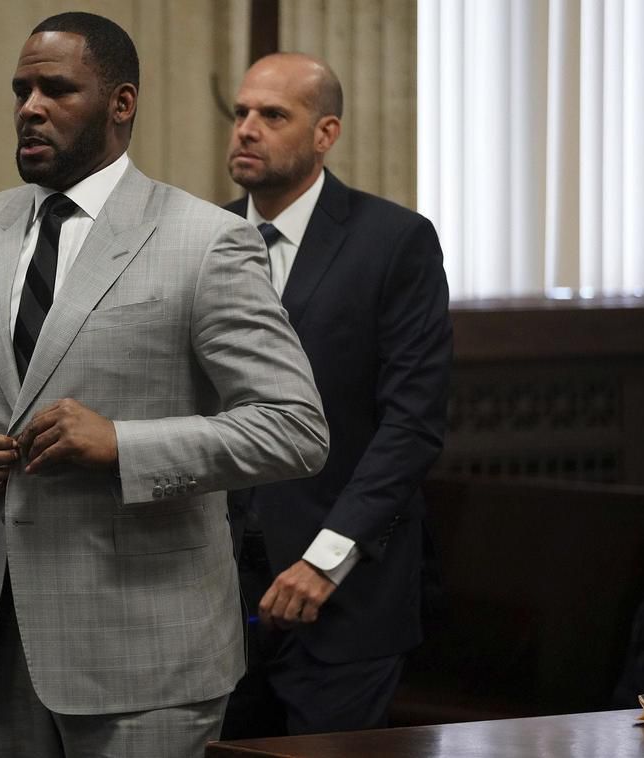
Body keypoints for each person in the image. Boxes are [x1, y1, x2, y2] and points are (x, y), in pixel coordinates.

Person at [0, 14, 328, 758]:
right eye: (21, 89)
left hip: (147, 655)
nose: (30, 107)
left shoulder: (204, 240)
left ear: (121, 103)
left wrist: (122, 444)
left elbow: (295, 426)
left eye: (56, 89)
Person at [221, 53, 453, 737]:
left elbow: (412, 424)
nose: (246, 130)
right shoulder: (202, 239)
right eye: (240, 113)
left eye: (272, 115)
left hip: (344, 597)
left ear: (325, 134)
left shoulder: (393, 241)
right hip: (220, 598)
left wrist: (327, 559)